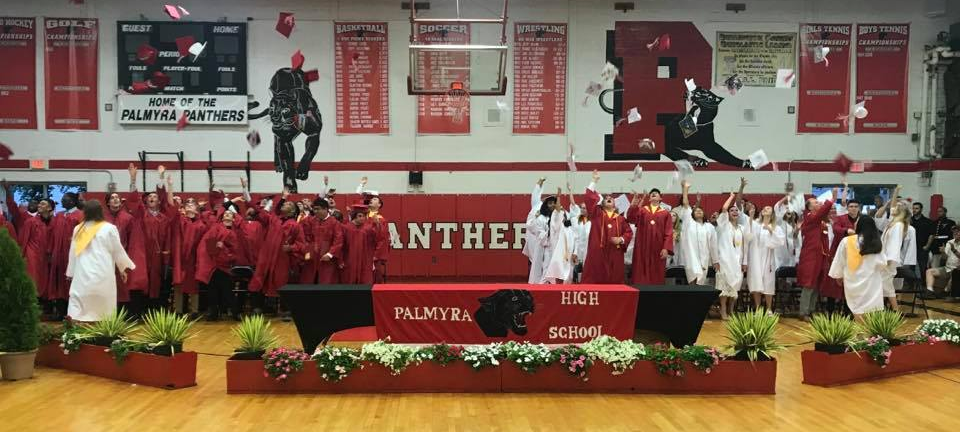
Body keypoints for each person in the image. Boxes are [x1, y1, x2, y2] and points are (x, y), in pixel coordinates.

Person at [65, 200, 136, 322]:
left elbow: (73, 252)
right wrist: (123, 268)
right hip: (103, 271)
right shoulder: (109, 228)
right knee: (104, 303)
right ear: (101, 212)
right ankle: (104, 331)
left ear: (85, 212)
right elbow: (117, 250)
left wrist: (70, 273)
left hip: (82, 271)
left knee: (79, 300)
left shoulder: (78, 229)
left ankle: (75, 331)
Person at [4, 180, 55, 305]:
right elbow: (13, 207)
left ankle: (44, 303)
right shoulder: (26, 219)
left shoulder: (50, 221)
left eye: (39, 203)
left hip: (45, 255)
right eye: (34, 203)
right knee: (33, 278)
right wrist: (8, 191)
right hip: (32, 254)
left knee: (44, 279)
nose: (36, 205)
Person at [828, 217, 887, 320]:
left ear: (859, 225)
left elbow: (840, 260)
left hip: (853, 279)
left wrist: (838, 275)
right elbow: (883, 263)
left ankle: (860, 332)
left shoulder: (847, 241)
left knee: (857, 308)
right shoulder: (876, 242)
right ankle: (870, 334)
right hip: (872, 281)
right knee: (871, 308)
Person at [164, 174, 207, 316]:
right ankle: (178, 311)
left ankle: (194, 311)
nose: (189, 205)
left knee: (193, 286)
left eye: (192, 203)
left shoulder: (201, 225)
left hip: (193, 260)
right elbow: (170, 206)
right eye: (187, 203)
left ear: (197, 208)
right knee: (178, 285)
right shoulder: (179, 220)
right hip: (180, 259)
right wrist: (170, 186)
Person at [581, 170, 633, 284]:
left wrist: (621, 239)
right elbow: (589, 199)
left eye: (611, 198)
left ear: (615, 204)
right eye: (606, 198)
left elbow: (629, 232)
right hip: (598, 254)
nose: (608, 197)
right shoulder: (597, 214)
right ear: (602, 204)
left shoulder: (621, 219)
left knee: (613, 283)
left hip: (615, 254)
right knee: (595, 282)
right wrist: (594, 181)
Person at [796, 187, 838, 321]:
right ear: (809, 207)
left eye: (818, 202)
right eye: (815, 202)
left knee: (816, 285)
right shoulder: (809, 217)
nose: (818, 203)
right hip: (810, 257)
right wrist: (832, 199)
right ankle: (803, 312)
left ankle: (811, 310)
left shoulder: (821, 221)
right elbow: (824, 211)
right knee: (808, 285)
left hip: (821, 256)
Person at [196, 206, 241, 321]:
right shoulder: (215, 227)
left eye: (229, 214)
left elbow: (234, 252)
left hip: (223, 265)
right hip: (212, 263)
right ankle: (213, 312)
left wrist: (223, 248)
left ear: (233, 219)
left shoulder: (233, 234)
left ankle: (234, 311)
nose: (227, 214)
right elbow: (210, 243)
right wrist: (216, 250)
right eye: (225, 213)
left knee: (227, 290)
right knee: (212, 289)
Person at [47, 192, 84, 319]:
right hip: (58, 254)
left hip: (71, 254)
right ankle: (60, 311)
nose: (62, 201)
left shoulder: (80, 215)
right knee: (58, 281)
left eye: (64, 199)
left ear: (72, 201)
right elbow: (52, 235)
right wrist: (50, 251)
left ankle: (73, 313)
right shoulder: (59, 215)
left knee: (71, 282)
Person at [627, 186, 673, 285]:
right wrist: (634, 204)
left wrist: (666, 248)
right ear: (649, 198)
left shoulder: (665, 213)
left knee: (656, 272)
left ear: (660, 198)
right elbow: (631, 218)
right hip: (642, 247)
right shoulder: (643, 210)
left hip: (658, 248)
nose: (654, 193)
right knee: (640, 269)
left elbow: (669, 232)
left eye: (656, 193)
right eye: (652, 193)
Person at [745, 205, 785, 312]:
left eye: (768, 208)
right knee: (756, 282)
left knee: (768, 283)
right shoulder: (757, 225)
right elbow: (748, 236)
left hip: (768, 258)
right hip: (756, 258)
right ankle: (758, 309)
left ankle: (768, 309)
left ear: (772, 214)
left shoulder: (776, 227)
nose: (765, 209)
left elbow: (780, 241)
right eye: (764, 208)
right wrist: (750, 217)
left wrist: (770, 230)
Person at [678, 180, 717, 286]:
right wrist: (686, 189)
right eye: (696, 210)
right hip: (691, 256)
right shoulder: (689, 222)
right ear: (692, 214)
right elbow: (686, 204)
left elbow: (713, 245)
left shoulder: (709, 227)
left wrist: (715, 261)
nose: (698, 211)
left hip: (705, 258)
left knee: (702, 281)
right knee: (694, 278)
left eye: (700, 210)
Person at [715, 191, 747, 320]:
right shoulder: (723, 225)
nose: (734, 212)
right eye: (731, 210)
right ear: (728, 214)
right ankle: (723, 310)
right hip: (724, 261)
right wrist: (732, 197)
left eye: (736, 210)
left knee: (735, 287)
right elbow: (723, 208)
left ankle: (731, 310)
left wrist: (744, 262)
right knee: (724, 287)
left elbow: (745, 247)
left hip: (737, 262)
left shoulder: (741, 228)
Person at [299, 198, 344, 284]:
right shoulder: (310, 221)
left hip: (327, 259)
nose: (315, 211)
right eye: (314, 209)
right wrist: (307, 251)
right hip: (311, 258)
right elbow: (304, 237)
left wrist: (330, 254)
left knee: (325, 282)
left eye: (318, 209)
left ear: (326, 209)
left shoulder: (334, 223)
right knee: (309, 281)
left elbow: (338, 241)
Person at [357, 177, 391, 283]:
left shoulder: (381, 220)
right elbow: (358, 199)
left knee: (375, 278)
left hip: (373, 254)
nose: (371, 200)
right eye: (371, 199)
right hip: (360, 251)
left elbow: (382, 240)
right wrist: (361, 185)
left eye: (375, 199)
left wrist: (375, 255)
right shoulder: (362, 216)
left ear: (379, 205)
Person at [878, 190, 908, 310]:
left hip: (889, 259)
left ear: (901, 211)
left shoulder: (899, 225)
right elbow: (892, 205)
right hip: (884, 257)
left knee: (885, 286)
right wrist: (895, 193)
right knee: (886, 286)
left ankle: (893, 310)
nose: (893, 208)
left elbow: (895, 244)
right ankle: (893, 310)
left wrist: (889, 260)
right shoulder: (892, 222)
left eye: (896, 207)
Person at [542, 188, 579, 284]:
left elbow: (576, 238)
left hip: (568, 256)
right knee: (554, 276)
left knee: (569, 277)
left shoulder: (569, 228)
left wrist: (575, 252)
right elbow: (558, 210)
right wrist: (558, 197)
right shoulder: (556, 222)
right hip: (557, 254)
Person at [524, 178, 554, 284]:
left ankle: (546, 283)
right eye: (548, 202)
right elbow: (535, 195)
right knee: (535, 263)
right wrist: (539, 183)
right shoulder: (537, 207)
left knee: (546, 264)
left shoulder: (555, 214)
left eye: (552, 203)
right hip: (535, 240)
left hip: (548, 244)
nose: (550, 205)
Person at [340, 204, 378, 284]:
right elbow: (341, 245)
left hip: (364, 260)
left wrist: (376, 225)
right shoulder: (346, 228)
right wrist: (341, 260)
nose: (362, 218)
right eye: (360, 216)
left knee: (364, 281)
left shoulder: (368, 228)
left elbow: (375, 240)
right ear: (354, 216)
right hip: (350, 259)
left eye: (364, 216)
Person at [926, 226, 960, 299]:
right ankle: (929, 292)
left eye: (957, 232)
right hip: (947, 268)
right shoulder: (950, 242)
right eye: (954, 232)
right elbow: (945, 258)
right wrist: (943, 252)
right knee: (929, 271)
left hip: (957, 270)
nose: (956, 234)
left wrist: (953, 250)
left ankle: (946, 292)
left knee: (955, 273)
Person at [910, 201, 935, 274]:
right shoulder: (909, 221)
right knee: (911, 267)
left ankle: (923, 283)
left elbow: (932, 234)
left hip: (922, 248)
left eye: (916, 208)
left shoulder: (928, 221)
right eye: (913, 208)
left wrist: (927, 246)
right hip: (911, 248)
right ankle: (912, 284)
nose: (914, 210)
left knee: (923, 266)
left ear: (921, 209)